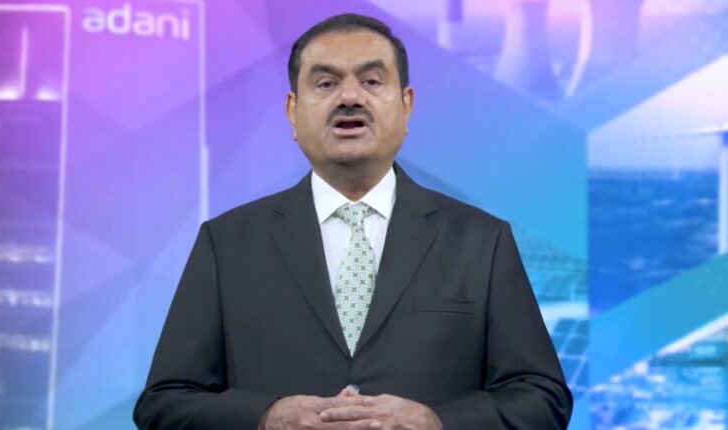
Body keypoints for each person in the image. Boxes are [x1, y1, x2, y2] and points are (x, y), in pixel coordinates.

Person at [133, 13, 572, 430]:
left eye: (372, 81)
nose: (349, 97)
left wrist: (436, 422)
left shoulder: (480, 240)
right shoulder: (227, 242)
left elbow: (541, 397)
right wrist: (266, 418)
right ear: (292, 112)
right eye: (326, 83)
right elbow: (164, 403)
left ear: (406, 106)